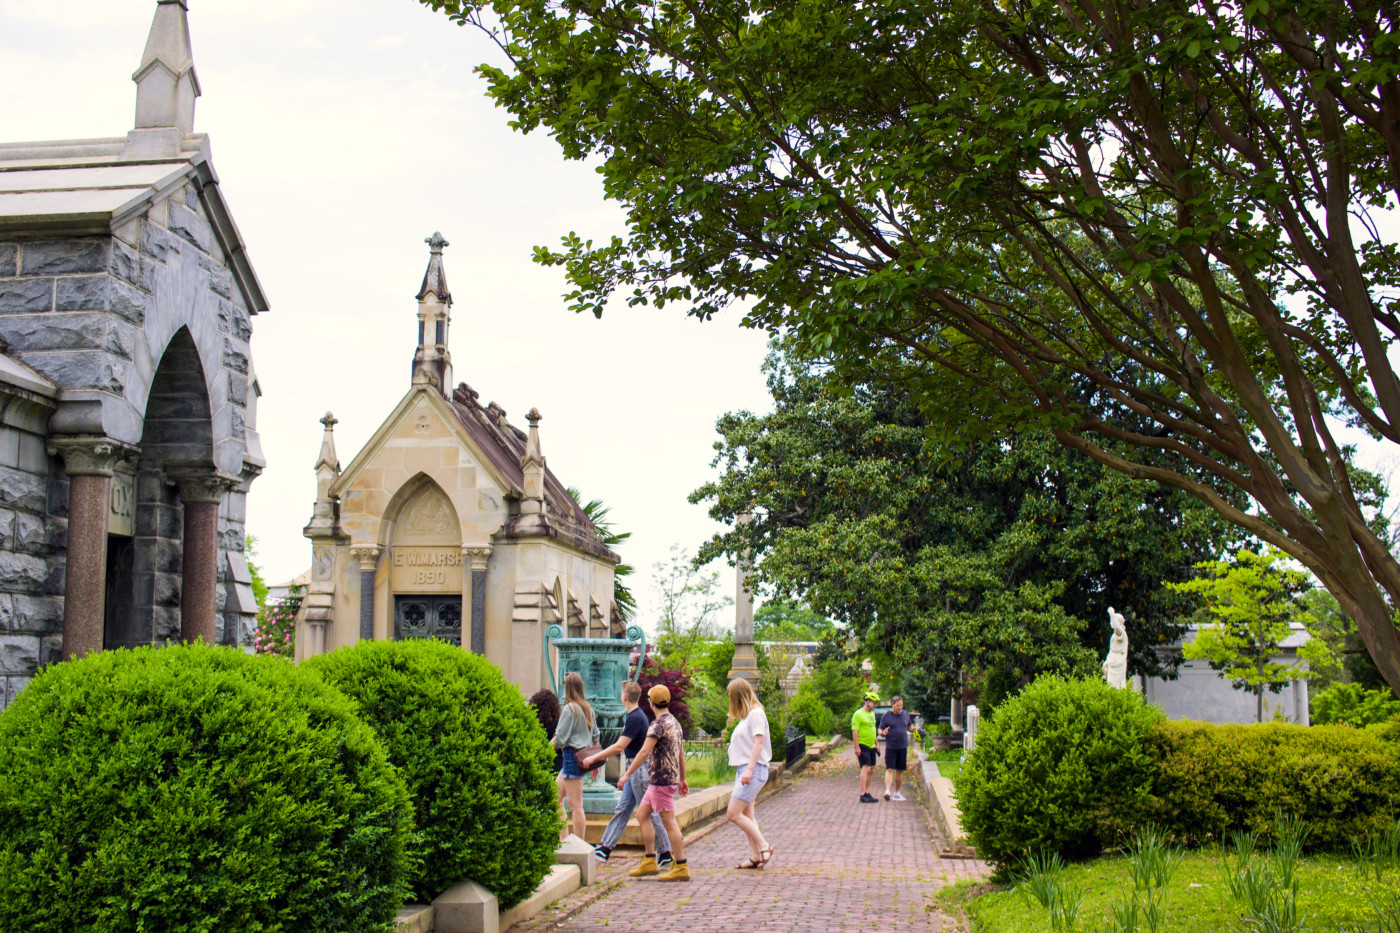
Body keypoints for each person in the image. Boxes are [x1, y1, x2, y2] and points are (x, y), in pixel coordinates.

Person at [578, 681, 673, 869]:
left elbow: (620, 746)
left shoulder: (635, 718)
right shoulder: (637, 716)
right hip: (636, 770)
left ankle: (665, 851)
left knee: (649, 813)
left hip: (639, 770)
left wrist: (595, 757)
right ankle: (605, 847)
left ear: (624, 698)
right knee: (623, 808)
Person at [619, 684, 690, 881]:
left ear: (651, 703)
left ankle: (681, 865)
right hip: (661, 780)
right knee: (642, 815)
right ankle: (650, 859)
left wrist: (626, 775)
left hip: (661, 780)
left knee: (669, 822)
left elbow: (643, 752)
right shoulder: (674, 723)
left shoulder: (657, 725)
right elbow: (681, 754)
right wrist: (682, 779)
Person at [725, 678, 775, 869]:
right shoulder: (747, 717)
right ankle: (756, 855)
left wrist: (749, 770)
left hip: (752, 770)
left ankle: (763, 846)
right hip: (745, 770)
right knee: (747, 814)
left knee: (733, 813)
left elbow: (759, 743)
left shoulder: (756, 714)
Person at [552, 671, 601, 841]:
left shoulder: (569, 708)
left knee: (575, 805)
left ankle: (579, 844)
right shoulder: (587, 708)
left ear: (567, 687)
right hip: (578, 758)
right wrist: (595, 764)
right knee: (554, 798)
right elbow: (596, 738)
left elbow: (561, 738)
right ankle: (564, 840)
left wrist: (542, 749)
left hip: (571, 756)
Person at [878, 695, 912, 801]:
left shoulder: (906, 714)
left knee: (899, 770)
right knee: (890, 769)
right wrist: (883, 733)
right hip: (891, 746)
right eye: (898, 705)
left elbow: (909, 727)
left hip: (903, 746)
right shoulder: (887, 716)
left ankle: (897, 793)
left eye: (901, 705)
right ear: (892, 704)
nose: (900, 708)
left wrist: (916, 729)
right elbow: (879, 730)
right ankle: (887, 791)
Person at [852, 691, 880, 803]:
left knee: (872, 769)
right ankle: (862, 794)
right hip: (863, 745)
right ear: (868, 702)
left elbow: (873, 730)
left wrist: (877, 744)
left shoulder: (872, 714)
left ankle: (868, 793)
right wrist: (857, 747)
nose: (875, 705)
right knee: (866, 767)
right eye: (874, 703)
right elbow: (855, 731)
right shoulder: (858, 714)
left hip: (871, 745)